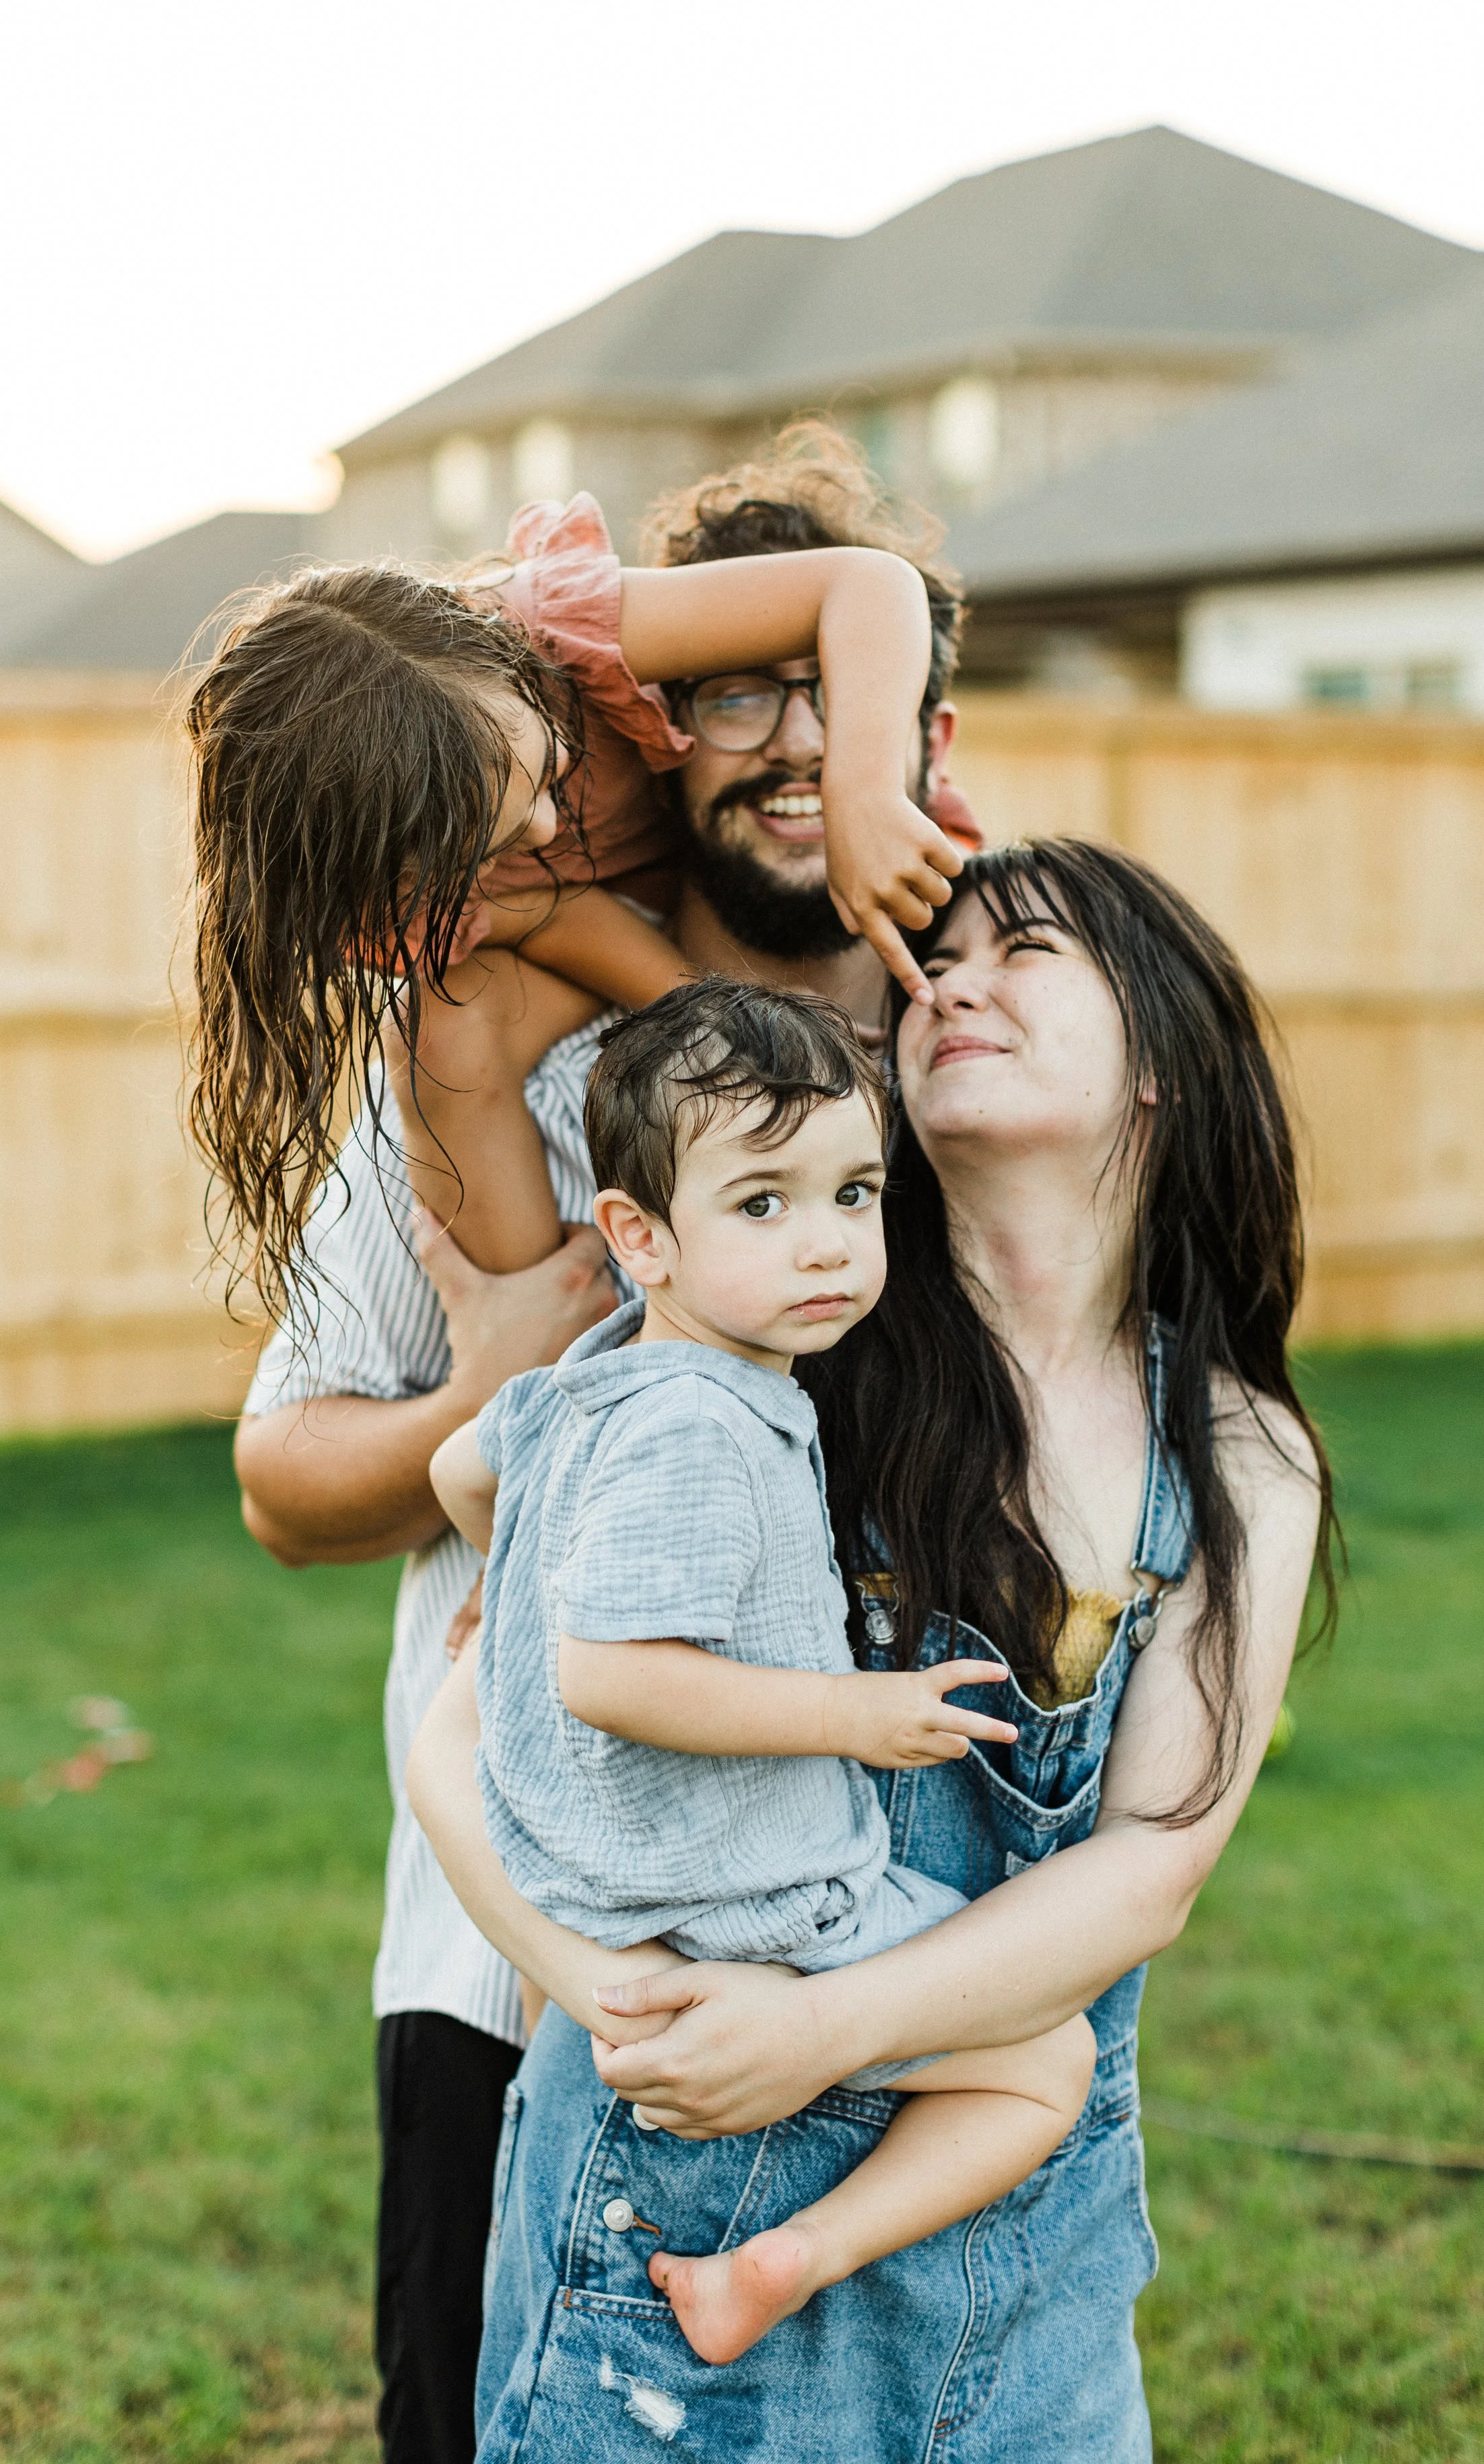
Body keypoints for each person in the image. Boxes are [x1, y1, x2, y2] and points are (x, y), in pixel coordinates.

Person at [232, 427, 977, 2464]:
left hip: (874, 1936)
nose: (798, 742)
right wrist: (494, 1397)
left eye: (846, 697)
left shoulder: (975, 1073)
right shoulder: (483, 1015)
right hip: (509, 1947)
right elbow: (282, 1481)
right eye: (739, 691)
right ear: (647, 707)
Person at [408, 839, 1338, 2461]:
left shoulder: (1239, 1451)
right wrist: (611, 1999)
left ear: (1165, 1064)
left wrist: (821, 2033)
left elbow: (1148, 1870)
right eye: (930, 959)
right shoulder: (744, 1366)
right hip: (677, 2222)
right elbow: (472, 1730)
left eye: (1023, 950)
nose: (949, 980)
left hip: (1016, 2264)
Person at [430, 979, 1095, 2365]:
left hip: (591, 1854)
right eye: (761, 1203)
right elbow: (612, 1674)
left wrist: (521, 1561)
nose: (828, 1247)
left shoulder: (594, 1375)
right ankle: (785, 2261)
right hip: (746, 1894)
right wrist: (848, 1713)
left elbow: (455, 1468)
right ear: (638, 1236)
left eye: (853, 1194)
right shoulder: (703, 1426)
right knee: (1049, 2061)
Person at [187, 445, 966, 1321]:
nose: (550, 831)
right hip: (627, 909)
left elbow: (872, 584)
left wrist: (860, 789)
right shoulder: (385, 879)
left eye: (550, 779)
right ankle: (542, 1326)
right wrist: (721, 1016)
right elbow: (553, 912)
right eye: (501, 840)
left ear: (513, 664)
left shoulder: (559, 623)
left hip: (758, 837)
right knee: (438, 1035)